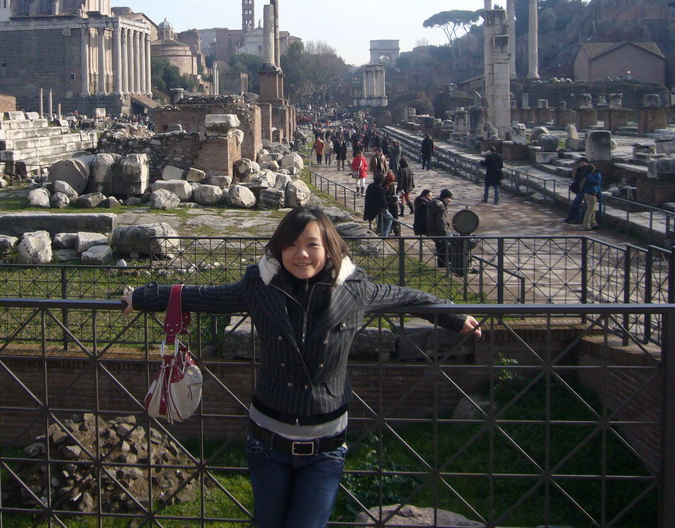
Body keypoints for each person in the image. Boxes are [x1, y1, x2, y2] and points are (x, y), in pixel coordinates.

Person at [121, 208, 482, 528]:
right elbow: (204, 297)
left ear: (328, 249)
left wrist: (455, 315)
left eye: (312, 244)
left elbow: (407, 296)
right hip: (267, 443)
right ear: (279, 249)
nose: (302, 254)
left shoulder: (355, 290)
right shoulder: (259, 286)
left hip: (326, 449)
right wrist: (142, 297)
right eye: (292, 245)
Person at [427, 188, 455, 268]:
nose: (450, 200)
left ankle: (441, 266)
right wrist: (445, 234)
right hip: (439, 233)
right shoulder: (441, 207)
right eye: (449, 198)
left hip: (432, 230)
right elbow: (441, 222)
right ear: (445, 197)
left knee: (440, 251)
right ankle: (443, 268)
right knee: (443, 251)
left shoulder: (433, 202)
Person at [363, 173, 394, 237]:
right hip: (377, 208)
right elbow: (383, 200)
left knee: (382, 217)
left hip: (369, 206)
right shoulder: (381, 189)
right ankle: (384, 234)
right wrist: (386, 207)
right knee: (390, 218)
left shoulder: (370, 186)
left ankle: (379, 230)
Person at [564, 157, 589, 224]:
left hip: (584, 190)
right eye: (581, 162)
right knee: (574, 204)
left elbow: (584, 180)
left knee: (575, 204)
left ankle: (576, 219)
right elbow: (577, 179)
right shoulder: (579, 170)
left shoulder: (587, 170)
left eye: (583, 162)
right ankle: (570, 217)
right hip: (579, 189)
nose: (582, 163)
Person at [581, 164, 602, 230]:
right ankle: (586, 224)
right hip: (590, 194)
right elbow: (597, 182)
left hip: (592, 194)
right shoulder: (588, 176)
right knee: (590, 210)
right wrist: (598, 174)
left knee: (593, 210)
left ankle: (593, 223)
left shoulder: (591, 175)